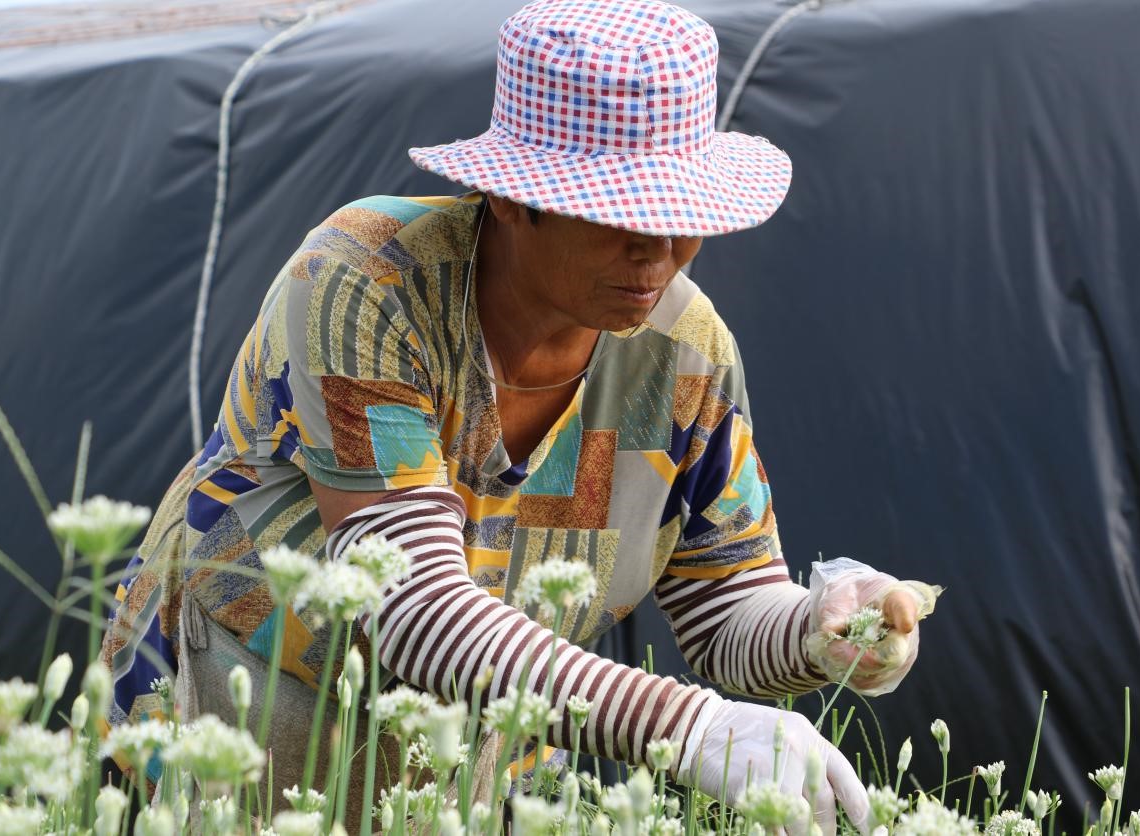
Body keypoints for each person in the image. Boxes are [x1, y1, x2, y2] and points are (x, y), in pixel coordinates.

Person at [101, 0, 933, 830]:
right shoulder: (368, 284)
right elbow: (409, 603)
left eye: (682, 216)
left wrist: (827, 628)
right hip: (244, 710)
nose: (658, 252)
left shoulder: (685, 354)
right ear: (509, 199)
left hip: (488, 743)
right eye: (619, 212)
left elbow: (725, 611)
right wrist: (690, 728)